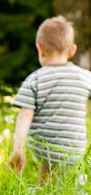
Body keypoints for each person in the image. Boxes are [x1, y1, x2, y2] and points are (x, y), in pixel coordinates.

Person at [9, 16, 90, 184]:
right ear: (72, 50)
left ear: (40, 49)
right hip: (76, 148)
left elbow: (25, 115)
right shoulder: (84, 77)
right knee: (69, 182)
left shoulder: (35, 79)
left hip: (45, 150)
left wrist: (18, 148)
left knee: (46, 176)